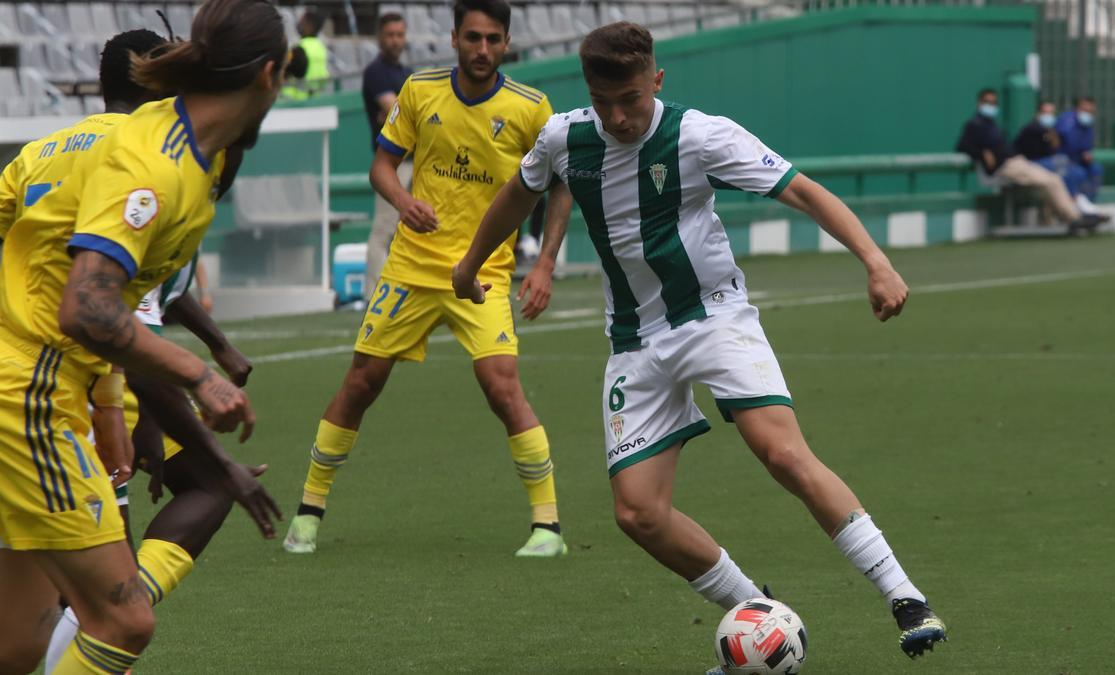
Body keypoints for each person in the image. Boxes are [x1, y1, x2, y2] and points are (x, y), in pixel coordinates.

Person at [454, 21, 950, 666]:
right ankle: (759, 614)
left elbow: (801, 189)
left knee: (782, 455)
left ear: (656, 81)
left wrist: (875, 261)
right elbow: (516, 197)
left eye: (631, 99)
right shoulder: (563, 138)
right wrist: (470, 263)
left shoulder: (699, 134)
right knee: (638, 515)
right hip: (634, 340)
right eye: (604, 102)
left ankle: (904, 596)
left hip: (714, 318)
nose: (619, 116)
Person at [0, 2, 286, 673]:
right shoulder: (157, 163)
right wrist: (199, 373)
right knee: (123, 619)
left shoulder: (178, 150)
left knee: (14, 643)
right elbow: (88, 309)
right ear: (272, 73)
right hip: (31, 392)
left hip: (10, 384)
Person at [283, 0, 574, 558]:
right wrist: (402, 201)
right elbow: (382, 165)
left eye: (492, 39)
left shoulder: (531, 108)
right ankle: (309, 513)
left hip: (483, 271)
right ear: (453, 38)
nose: (482, 49)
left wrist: (544, 264)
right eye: (472, 38)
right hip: (412, 267)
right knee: (361, 383)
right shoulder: (420, 90)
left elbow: (562, 184)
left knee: (502, 387)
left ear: (507, 42)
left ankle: (548, 527)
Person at [956, 88, 1105, 231]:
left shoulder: (992, 124)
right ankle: (1075, 218)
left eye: (994, 103)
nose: (991, 106)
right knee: (1052, 180)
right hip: (1007, 167)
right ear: (979, 103)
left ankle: (1074, 213)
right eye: (987, 102)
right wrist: (982, 153)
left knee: (1059, 177)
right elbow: (962, 146)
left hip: (1017, 161)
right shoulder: (974, 125)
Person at [361, 11, 413, 299]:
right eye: (390, 35)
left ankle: (398, 293)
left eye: (400, 35)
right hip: (391, 163)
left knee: (405, 232)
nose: (395, 40)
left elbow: (402, 113)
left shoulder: (404, 73)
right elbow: (399, 111)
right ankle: (374, 296)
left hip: (413, 161)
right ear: (380, 38)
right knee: (383, 231)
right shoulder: (376, 71)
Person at [1055, 96, 1103, 205]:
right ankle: (1074, 205)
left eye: (1091, 111)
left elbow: (1088, 146)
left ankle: (1088, 203)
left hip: (1079, 160)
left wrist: (1087, 154)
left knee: (1096, 169)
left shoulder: (1087, 124)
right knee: (1078, 173)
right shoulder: (1067, 120)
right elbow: (1068, 141)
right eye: (1085, 110)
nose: (1088, 113)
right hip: (1063, 159)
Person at [283, 8, 329, 99]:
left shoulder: (299, 49)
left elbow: (285, 73)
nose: (299, 24)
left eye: (302, 22)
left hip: (295, 101)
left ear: (309, 26)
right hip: (315, 98)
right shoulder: (321, 48)